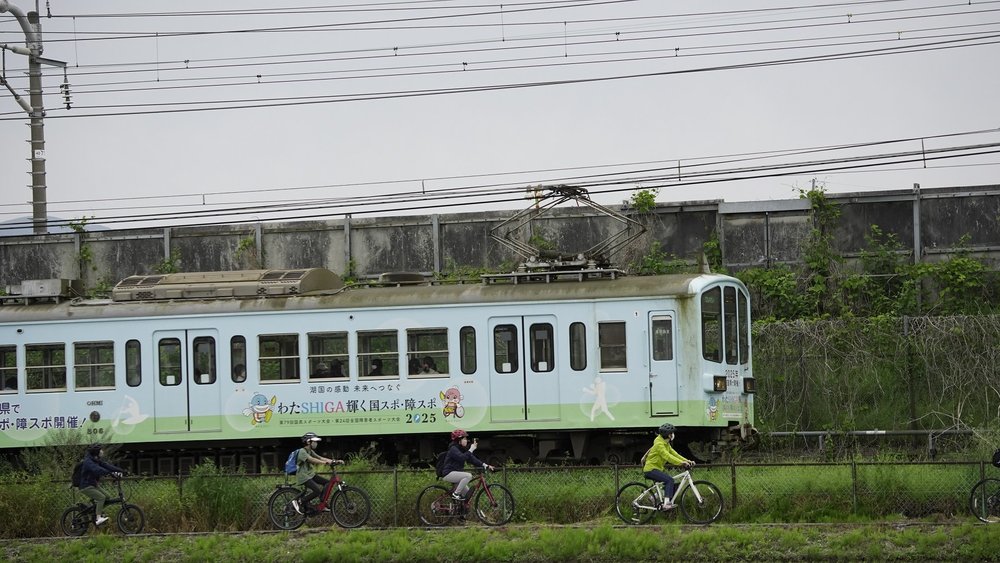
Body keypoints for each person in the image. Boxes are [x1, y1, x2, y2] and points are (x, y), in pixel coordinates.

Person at [641, 423, 694, 511]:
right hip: (650, 469)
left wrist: (687, 461)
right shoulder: (659, 444)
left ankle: (653, 497)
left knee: (671, 484)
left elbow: (674, 454)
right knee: (670, 480)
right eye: (672, 433)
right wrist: (681, 463)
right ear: (668, 435)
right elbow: (668, 457)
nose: (673, 435)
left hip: (656, 469)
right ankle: (666, 504)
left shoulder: (665, 443)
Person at [292, 432, 344, 515]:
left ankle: (322, 503)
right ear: (308, 442)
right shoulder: (302, 452)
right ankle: (299, 501)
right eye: (314, 441)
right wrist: (324, 463)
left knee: (327, 483)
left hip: (310, 475)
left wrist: (334, 461)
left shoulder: (310, 451)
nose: (316, 443)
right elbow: (311, 459)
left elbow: (320, 457)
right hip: (303, 476)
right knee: (317, 490)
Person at [78, 444, 126, 526]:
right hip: (86, 486)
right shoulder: (88, 462)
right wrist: (111, 473)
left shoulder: (96, 460)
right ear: (96, 452)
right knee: (101, 498)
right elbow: (97, 470)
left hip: (93, 484)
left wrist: (121, 470)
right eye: (100, 450)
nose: (102, 451)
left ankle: (95, 511)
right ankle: (98, 518)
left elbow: (107, 466)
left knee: (107, 497)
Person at [441, 429, 493, 501]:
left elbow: (472, 459)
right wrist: (471, 449)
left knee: (467, 496)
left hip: (456, 474)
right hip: (448, 473)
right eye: (464, 438)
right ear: (459, 440)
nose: (466, 440)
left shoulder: (462, 449)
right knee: (468, 475)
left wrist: (485, 465)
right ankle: (456, 494)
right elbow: (462, 458)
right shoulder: (453, 449)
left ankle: (461, 510)